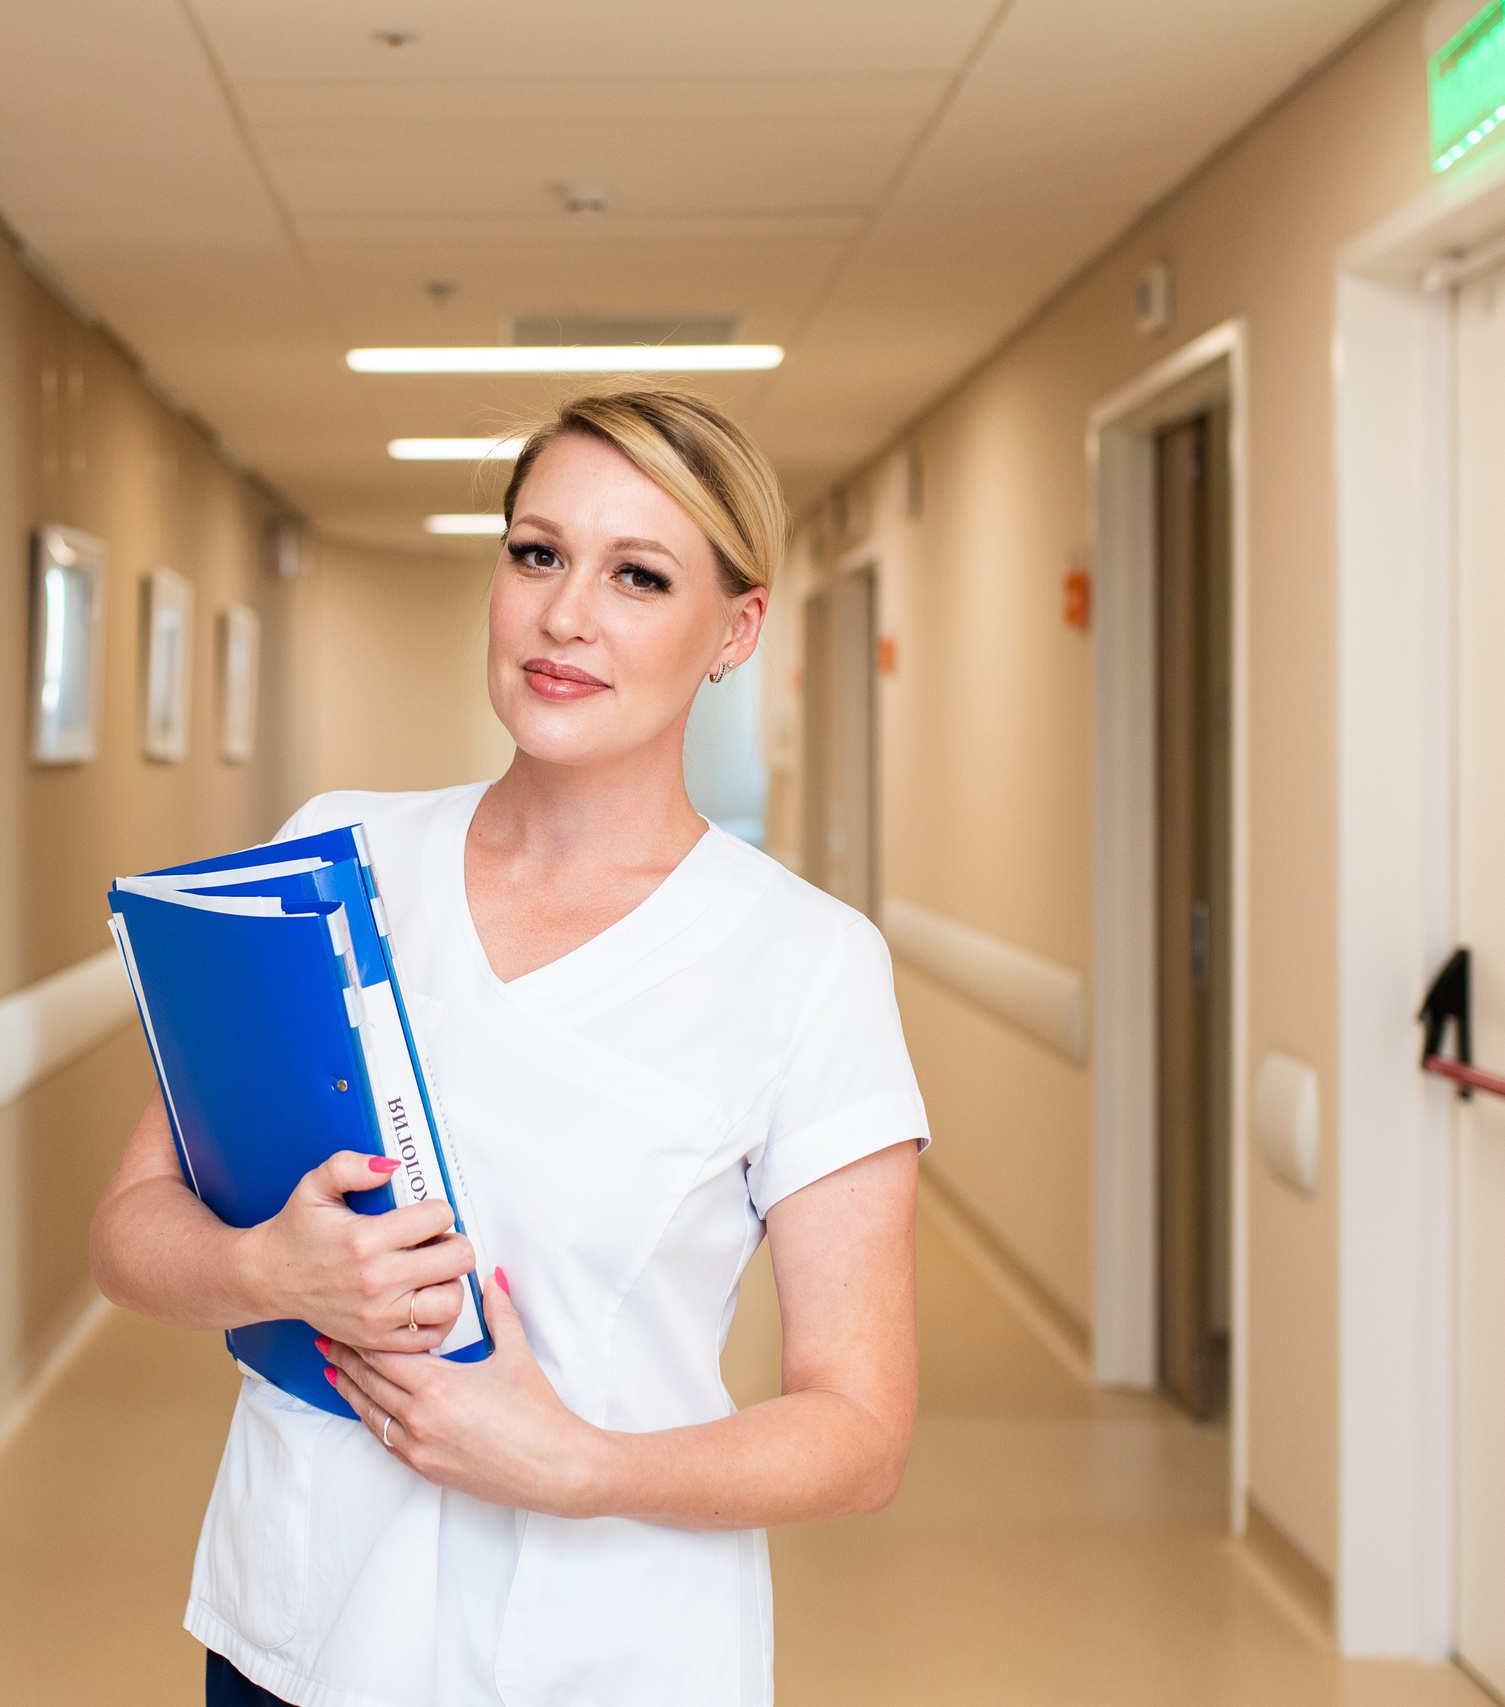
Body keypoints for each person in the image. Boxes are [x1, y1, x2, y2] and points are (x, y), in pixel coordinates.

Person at [89, 387, 927, 1707]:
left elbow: (861, 1433)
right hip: (297, 1631)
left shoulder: (808, 965)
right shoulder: (333, 859)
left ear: (736, 629)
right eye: (537, 552)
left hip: (602, 1650)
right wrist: (272, 1267)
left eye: (638, 575)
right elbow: (130, 1235)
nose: (565, 615)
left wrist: (576, 1463)